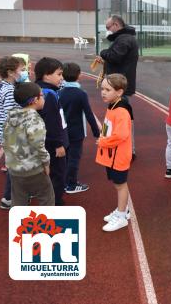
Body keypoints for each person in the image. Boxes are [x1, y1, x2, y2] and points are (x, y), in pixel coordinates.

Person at [3, 82, 54, 206]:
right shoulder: (35, 120)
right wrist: (46, 163)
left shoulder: (11, 118)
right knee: (46, 197)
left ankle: (17, 224)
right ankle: (46, 224)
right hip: (33, 169)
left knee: (18, 200)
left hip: (14, 169)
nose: (43, 99)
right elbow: (39, 145)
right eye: (42, 96)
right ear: (35, 100)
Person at [96, 74, 133, 232]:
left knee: (120, 185)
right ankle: (122, 211)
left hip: (118, 157)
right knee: (117, 184)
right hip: (111, 155)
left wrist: (104, 141)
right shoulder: (112, 105)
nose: (103, 92)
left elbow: (121, 135)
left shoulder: (121, 111)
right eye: (102, 89)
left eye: (107, 90)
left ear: (119, 92)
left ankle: (121, 216)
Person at [98, 15, 139, 157]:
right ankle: (124, 147)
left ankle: (129, 150)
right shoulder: (124, 38)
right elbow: (116, 59)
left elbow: (114, 56)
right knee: (118, 119)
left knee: (123, 120)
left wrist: (103, 53)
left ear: (116, 25)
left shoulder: (124, 39)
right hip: (118, 86)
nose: (107, 30)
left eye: (108, 27)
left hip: (120, 88)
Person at [58, 62, 101, 194]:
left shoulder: (59, 92)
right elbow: (89, 114)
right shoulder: (81, 93)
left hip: (62, 131)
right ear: (79, 75)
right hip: (77, 132)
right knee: (74, 158)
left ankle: (63, 181)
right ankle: (71, 185)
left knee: (64, 157)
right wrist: (96, 132)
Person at [35, 57, 69, 206]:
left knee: (51, 174)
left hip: (46, 141)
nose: (61, 78)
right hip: (52, 144)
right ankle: (54, 204)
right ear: (46, 75)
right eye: (59, 74)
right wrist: (58, 144)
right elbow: (51, 122)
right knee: (58, 175)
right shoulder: (47, 95)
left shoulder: (41, 90)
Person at [0, 56, 25, 209]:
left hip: (3, 133)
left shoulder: (0, 87)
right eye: (21, 70)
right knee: (15, 168)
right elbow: (11, 116)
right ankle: (9, 199)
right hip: (12, 135)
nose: (24, 72)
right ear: (11, 72)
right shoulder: (11, 91)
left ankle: (12, 196)